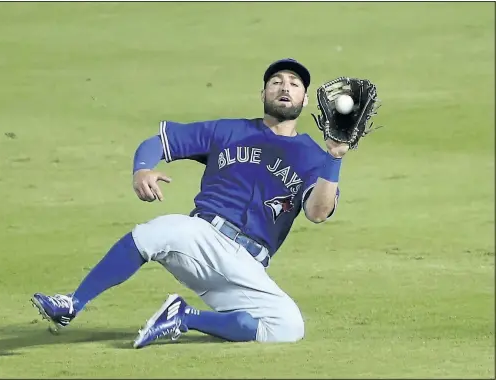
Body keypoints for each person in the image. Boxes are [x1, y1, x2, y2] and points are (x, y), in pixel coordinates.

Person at [31, 58, 347, 349]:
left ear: (304, 99)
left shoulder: (314, 157)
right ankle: (72, 304)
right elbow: (159, 142)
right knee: (157, 232)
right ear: (263, 93)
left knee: (287, 327)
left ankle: (183, 317)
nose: (284, 87)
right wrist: (142, 168)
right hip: (202, 237)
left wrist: (333, 158)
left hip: (246, 267)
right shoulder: (228, 131)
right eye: (276, 81)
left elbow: (318, 212)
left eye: (294, 83)